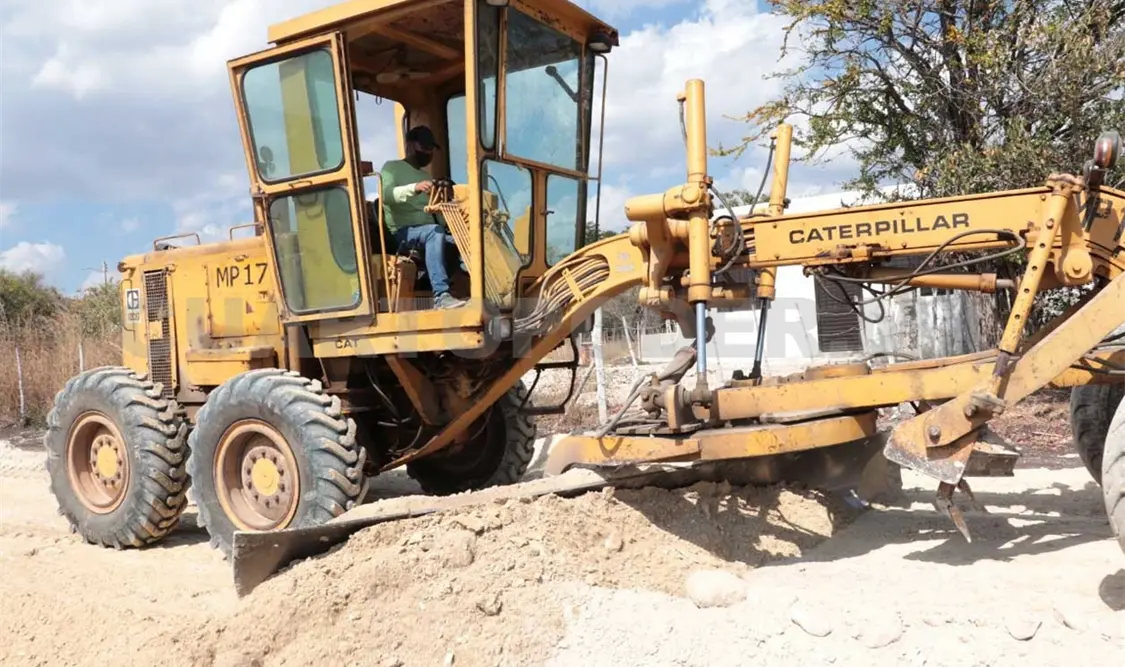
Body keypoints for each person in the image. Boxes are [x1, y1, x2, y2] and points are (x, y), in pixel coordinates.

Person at [378, 125, 466, 310]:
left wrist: (452, 213)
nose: (428, 152)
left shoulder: (426, 175)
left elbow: (435, 217)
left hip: (429, 231)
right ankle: (441, 295)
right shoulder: (392, 168)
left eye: (430, 149)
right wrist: (414, 188)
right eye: (424, 147)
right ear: (410, 146)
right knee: (434, 232)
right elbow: (386, 196)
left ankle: (472, 291)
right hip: (403, 233)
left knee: (462, 240)